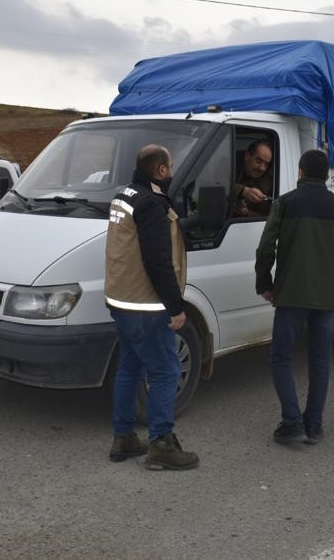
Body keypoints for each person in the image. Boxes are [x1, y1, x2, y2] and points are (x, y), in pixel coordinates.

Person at [255, 150, 334, 445]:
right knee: (320, 362)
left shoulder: (285, 203)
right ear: (327, 175)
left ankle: (292, 423)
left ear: (300, 172)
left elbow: (266, 248)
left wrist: (264, 282)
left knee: (281, 358)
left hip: (290, 294)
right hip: (327, 299)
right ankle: (313, 425)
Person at [104, 144, 199, 470]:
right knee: (165, 372)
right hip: (145, 305)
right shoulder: (151, 203)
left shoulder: (125, 195)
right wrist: (176, 307)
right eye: (170, 165)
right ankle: (161, 445)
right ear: (160, 169)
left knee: (130, 369)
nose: (171, 171)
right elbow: (159, 261)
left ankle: (124, 437)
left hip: (121, 299)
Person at [234, 140, 274, 217]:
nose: (262, 168)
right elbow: (220, 184)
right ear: (247, 157)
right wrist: (243, 191)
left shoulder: (267, 183)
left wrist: (246, 213)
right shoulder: (229, 164)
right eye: (259, 161)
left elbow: (265, 217)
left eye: (266, 164)